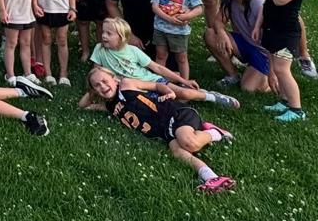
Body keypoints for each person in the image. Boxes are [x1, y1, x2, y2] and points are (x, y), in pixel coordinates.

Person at [79, 69, 236, 194]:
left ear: (114, 79)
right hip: (163, 131)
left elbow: (155, 86)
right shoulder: (109, 106)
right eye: (97, 85)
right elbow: (83, 106)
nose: (102, 86)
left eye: (105, 81)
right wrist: (92, 89)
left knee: (189, 143)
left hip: (173, 114)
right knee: (178, 152)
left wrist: (169, 92)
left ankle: (215, 133)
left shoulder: (126, 84)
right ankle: (211, 177)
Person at [90, 17, 239, 109]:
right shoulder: (99, 49)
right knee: (171, 104)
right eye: (103, 32)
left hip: (152, 81)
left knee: (184, 94)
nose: (104, 36)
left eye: (109, 34)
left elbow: (157, 67)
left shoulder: (133, 51)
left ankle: (212, 97)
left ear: (122, 37)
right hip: (131, 89)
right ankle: (191, 93)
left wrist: (184, 80)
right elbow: (96, 73)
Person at [259, 0, 310, 122]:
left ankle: (297, 109)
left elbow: (280, 0)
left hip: (286, 32)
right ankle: (284, 99)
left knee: (282, 70)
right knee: (276, 66)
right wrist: (258, 25)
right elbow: (268, 3)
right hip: (272, 28)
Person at [203, 0, 270, 92]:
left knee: (248, 89)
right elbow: (218, 22)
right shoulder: (229, 0)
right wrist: (222, 34)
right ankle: (232, 75)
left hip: (264, 52)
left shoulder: (258, 3)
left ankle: (269, 77)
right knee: (211, 34)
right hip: (245, 44)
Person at [151, 0, 204, 81]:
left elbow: (199, 8)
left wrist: (186, 16)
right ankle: (159, 82)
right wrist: (169, 19)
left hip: (179, 31)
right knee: (160, 56)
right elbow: (155, 7)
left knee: (181, 58)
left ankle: (185, 83)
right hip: (160, 29)